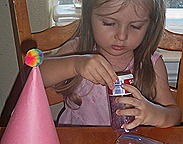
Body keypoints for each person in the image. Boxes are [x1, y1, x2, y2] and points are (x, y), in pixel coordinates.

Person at [40, 0, 181, 130]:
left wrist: (155, 114)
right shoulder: (77, 50)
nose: (121, 35)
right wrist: (74, 65)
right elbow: (36, 75)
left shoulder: (150, 63)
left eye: (135, 26)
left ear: (150, 25)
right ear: (89, 17)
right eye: (109, 23)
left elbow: (174, 114)